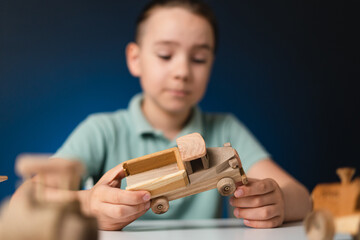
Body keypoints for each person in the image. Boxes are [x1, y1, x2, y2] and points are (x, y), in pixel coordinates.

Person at [11, 0, 311, 231]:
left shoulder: (224, 129)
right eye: (165, 55)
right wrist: (87, 202)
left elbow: (303, 198)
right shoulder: (102, 130)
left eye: (198, 58)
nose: (181, 72)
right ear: (135, 59)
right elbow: (25, 199)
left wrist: (278, 201)